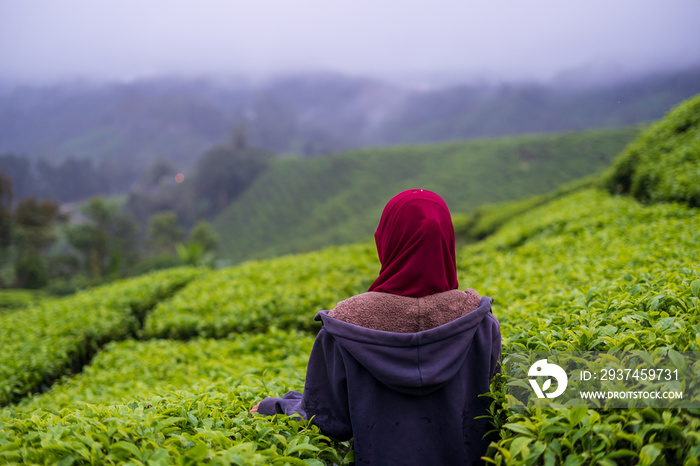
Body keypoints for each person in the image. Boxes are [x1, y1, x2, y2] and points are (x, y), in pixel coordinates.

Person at [251, 189, 501, 465]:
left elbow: (327, 421)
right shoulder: (481, 324)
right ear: (446, 242)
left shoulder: (344, 327)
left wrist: (276, 406)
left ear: (388, 242)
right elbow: (497, 412)